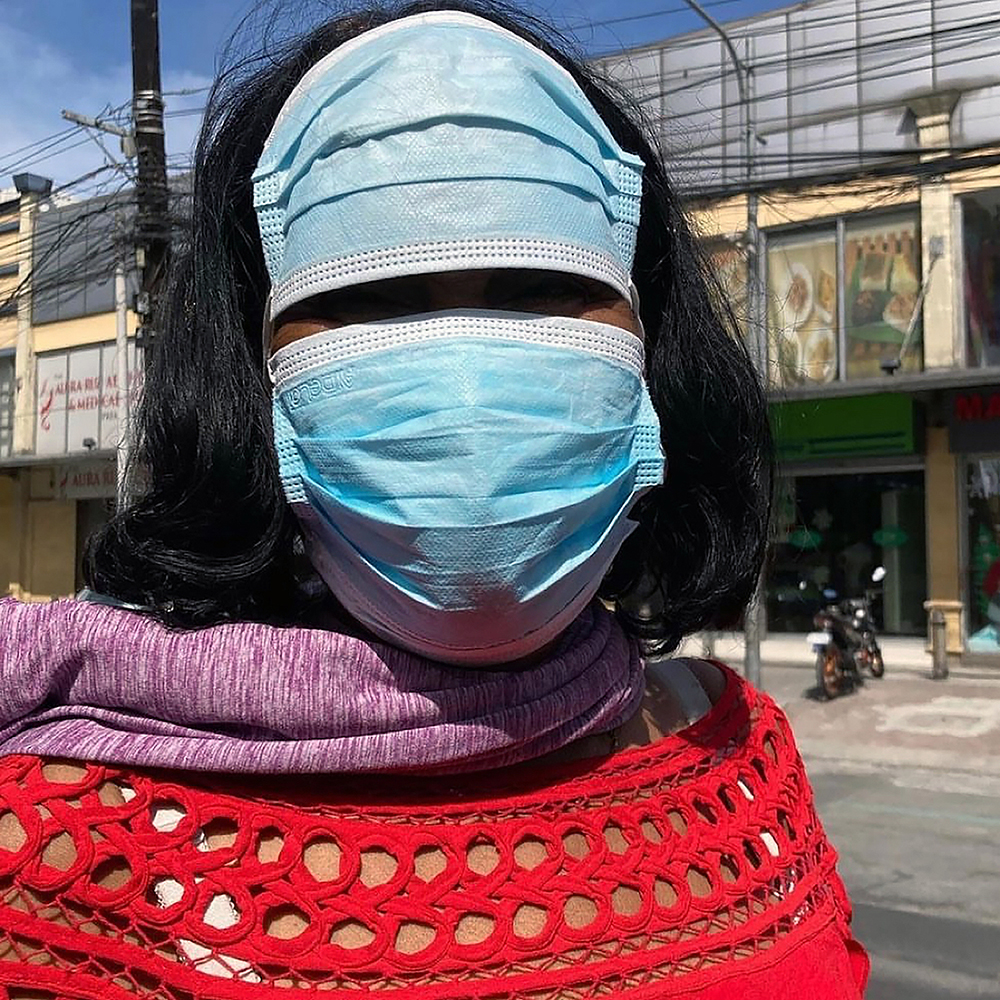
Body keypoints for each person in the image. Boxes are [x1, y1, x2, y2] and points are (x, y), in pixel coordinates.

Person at [0, 3, 868, 997]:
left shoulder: (736, 759)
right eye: (372, 299)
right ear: (250, 368)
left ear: (650, 346)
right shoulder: (60, 852)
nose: (467, 377)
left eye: (539, 287)